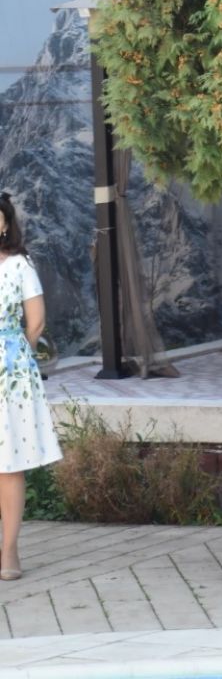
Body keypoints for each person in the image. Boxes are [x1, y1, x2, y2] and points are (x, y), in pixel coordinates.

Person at [0, 193, 63, 581]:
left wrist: (12, 356)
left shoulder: (19, 265)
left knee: (7, 464)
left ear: (5, 224)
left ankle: (9, 549)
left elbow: (36, 322)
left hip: (8, 372)